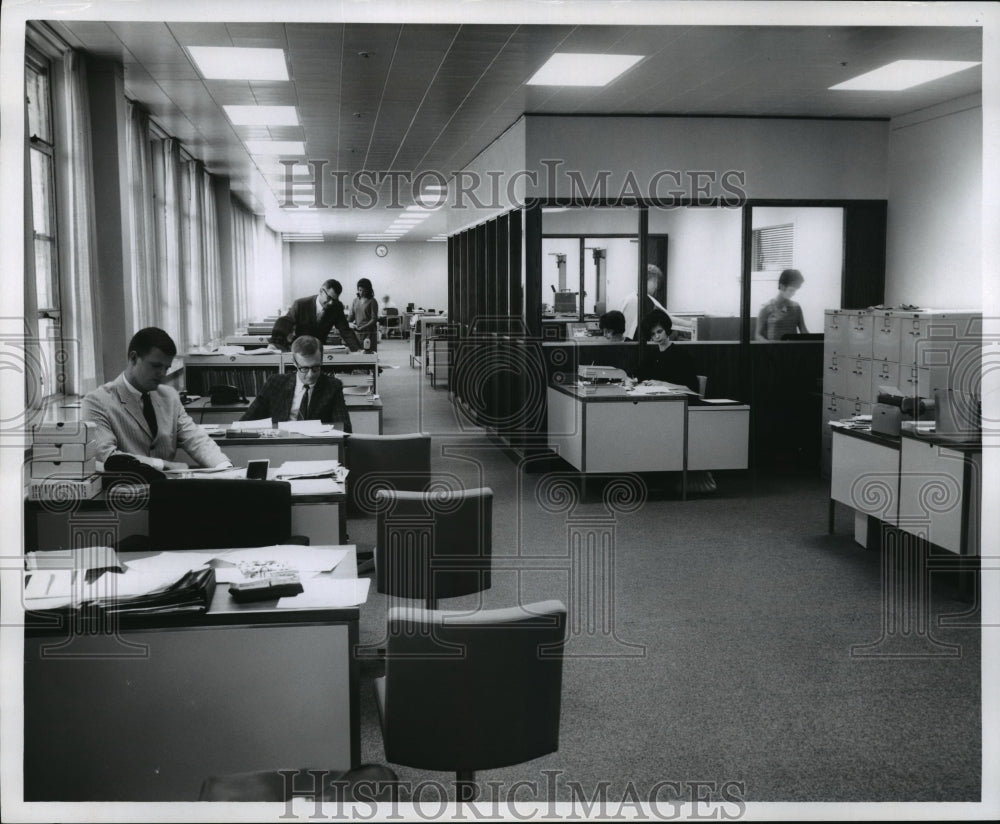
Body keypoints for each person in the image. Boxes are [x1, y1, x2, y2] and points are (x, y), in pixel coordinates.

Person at [83, 327, 232, 470]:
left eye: (166, 368)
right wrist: (162, 464)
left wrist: (224, 467)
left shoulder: (169, 397)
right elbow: (106, 456)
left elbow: (196, 439)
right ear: (133, 358)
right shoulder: (97, 402)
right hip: (123, 490)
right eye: (155, 366)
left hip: (165, 489)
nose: (162, 373)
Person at [240, 335, 352, 432]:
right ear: (294, 362)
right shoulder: (275, 383)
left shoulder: (333, 386)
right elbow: (246, 422)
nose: (310, 375)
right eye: (304, 368)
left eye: (316, 367)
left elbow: (345, 428)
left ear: (322, 360)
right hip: (279, 445)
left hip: (316, 448)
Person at [269, 279, 361, 352]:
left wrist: (358, 350)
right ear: (321, 291)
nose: (331, 303)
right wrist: (275, 344)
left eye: (334, 300)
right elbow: (285, 323)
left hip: (319, 350)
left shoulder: (336, 307)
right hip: (300, 348)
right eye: (329, 298)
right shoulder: (301, 304)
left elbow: (346, 331)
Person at [631, 309, 700, 393]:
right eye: (653, 334)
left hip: (677, 402)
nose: (657, 336)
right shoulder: (651, 356)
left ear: (666, 329)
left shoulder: (682, 355)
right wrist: (634, 381)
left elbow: (693, 388)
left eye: (659, 331)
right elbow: (637, 376)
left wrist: (661, 384)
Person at [756, 268, 807, 341]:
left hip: (793, 350)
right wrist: (769, 345)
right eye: (791, 290)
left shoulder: (796, 307)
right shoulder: (766, 308)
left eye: (795, 290)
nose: (794, 293)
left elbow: (804, 331)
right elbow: (758, 335)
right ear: (782, 286)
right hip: (774, 350)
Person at [621, 264, 668, 341]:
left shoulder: (631, 297)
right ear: (646, 280)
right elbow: (667, 317)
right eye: (655, 281)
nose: (656, 286)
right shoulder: (642, 299)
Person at [349, 277, 380, 352]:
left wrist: (363, 327)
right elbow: (351, 315)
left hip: (369, 333)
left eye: (364, 291)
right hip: (357, 333)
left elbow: (374, 319)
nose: (361, 293)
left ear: (368, 290)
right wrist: (346, 322)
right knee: (358, 354)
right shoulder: (355, 300)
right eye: (360, 290)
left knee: (369, 354)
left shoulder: (372, 301)